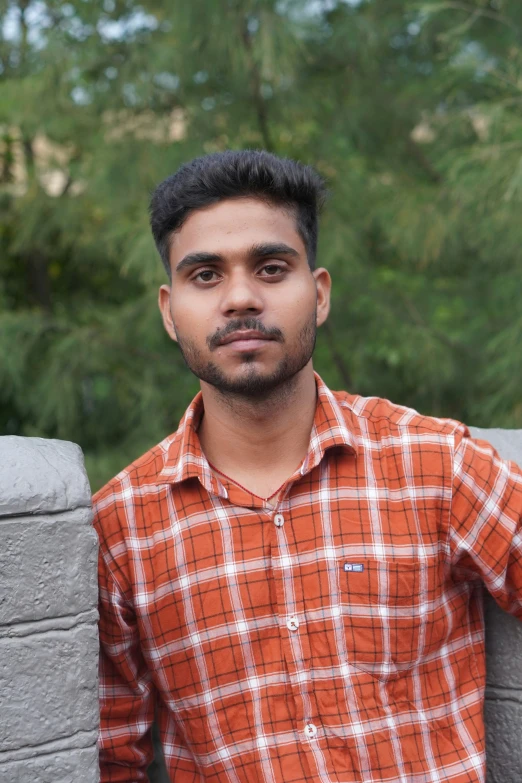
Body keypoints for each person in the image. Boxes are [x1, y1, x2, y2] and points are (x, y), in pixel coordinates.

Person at [93, 149, 522, 783]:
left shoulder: (436, 465)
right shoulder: (122, 529)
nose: (240, 298)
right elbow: (108, 758)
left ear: (317, 294)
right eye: (205, 275)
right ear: (168, 310)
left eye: (270, 268)